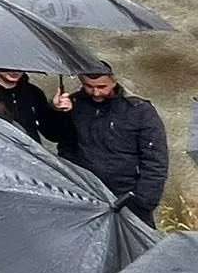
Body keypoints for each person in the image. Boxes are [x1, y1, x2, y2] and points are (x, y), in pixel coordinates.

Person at [49, 70, 169, 224]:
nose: (96, 92)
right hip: (85, 194)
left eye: (102, 87)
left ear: (114, 81)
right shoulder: (74, 104)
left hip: (128, 197)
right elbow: (59, 139)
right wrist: (58, 112)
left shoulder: (139, 110)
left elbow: (155, 160)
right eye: (88, 86)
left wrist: (143, 202)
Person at [0, 71, 53, 140]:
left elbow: (52, 134)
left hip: (28, 144)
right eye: (10, 66)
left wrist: (55, 108)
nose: (15, 71)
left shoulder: (33, 92)